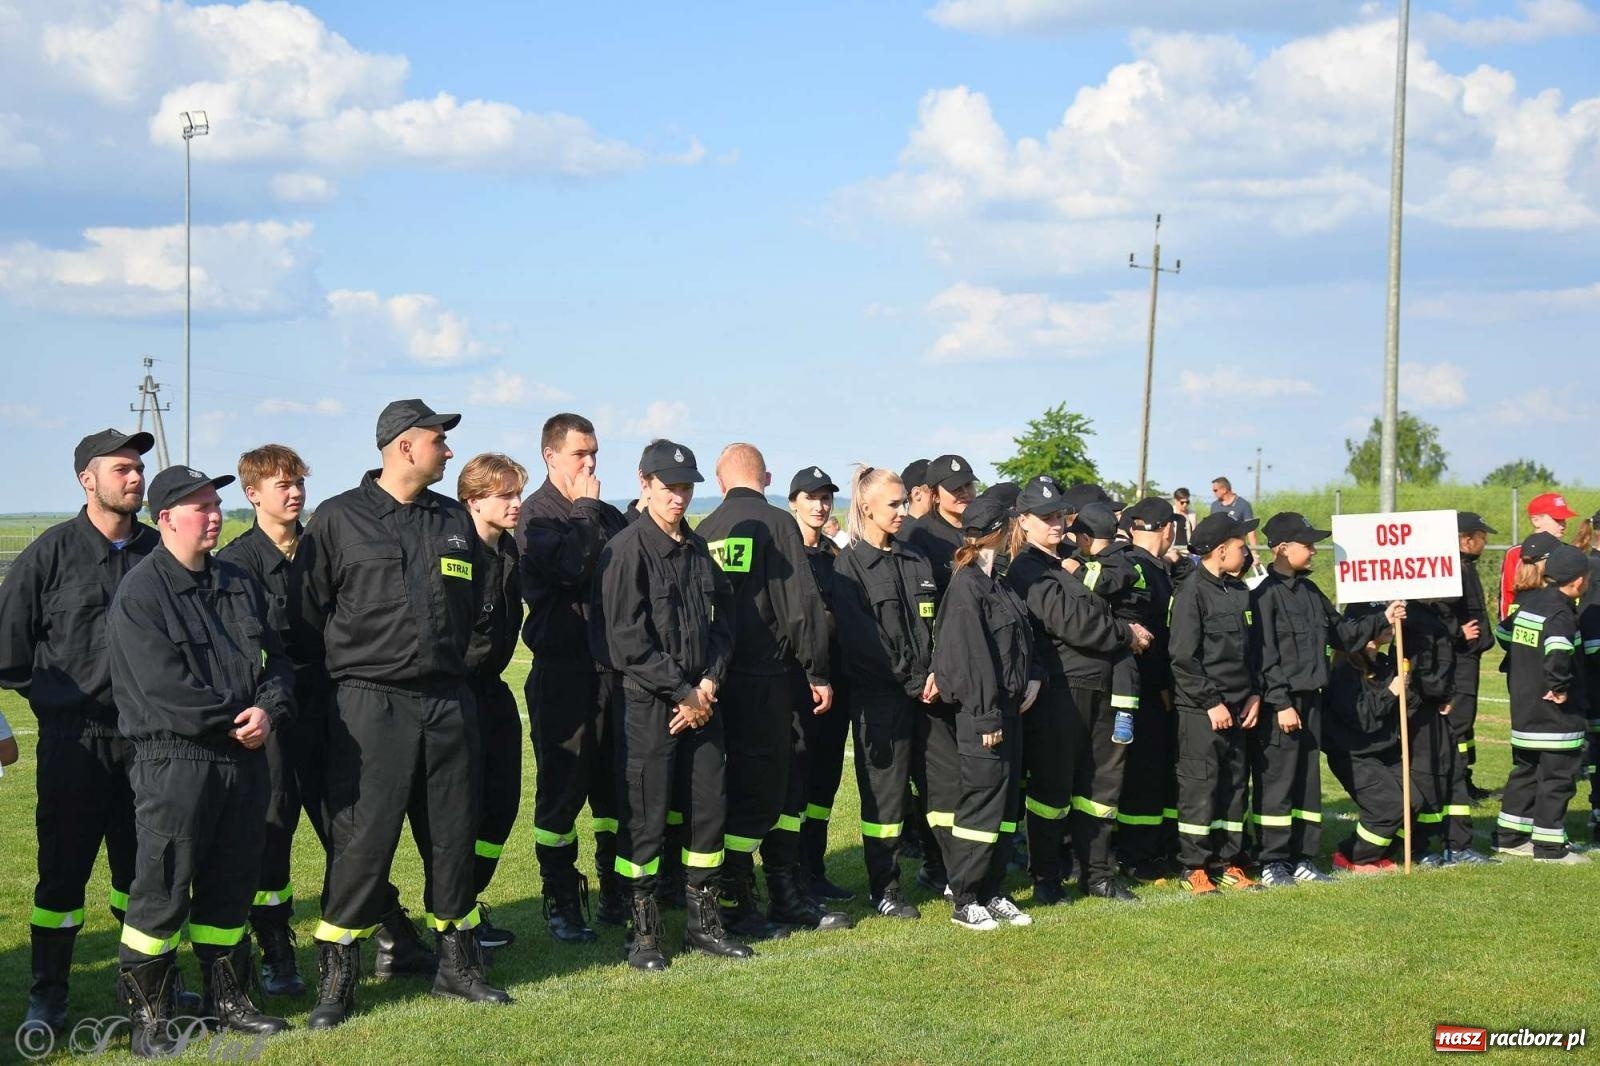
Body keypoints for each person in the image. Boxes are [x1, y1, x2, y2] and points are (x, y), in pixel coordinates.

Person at [303, 399, 509, 1029]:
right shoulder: (339, 519)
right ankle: (338, 980)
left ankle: (458, 967)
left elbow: (480, 606)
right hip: (371, 703)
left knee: (452, 836)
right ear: (402, 447)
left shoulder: (452, 519)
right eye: (438, 441)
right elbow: (306, 618)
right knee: (364, 842)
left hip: (448, 701)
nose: (448, 452)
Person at [108, 465, 293, 1054]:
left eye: (217, 504)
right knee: (161, 889)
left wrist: (267, 710)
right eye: (200, 507)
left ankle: (228, 1000)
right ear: (165, 519)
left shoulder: (239, 582)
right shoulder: (141, 593)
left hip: (243, 757)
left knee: (231, 882)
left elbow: (278, 662)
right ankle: (149, 1018)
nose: (214, 515)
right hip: (176, 761)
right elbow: (165, 691)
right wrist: (235, 721)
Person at [0, 428, 162, 1039]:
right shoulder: (50, 554)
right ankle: (48, 995)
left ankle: (142, 991)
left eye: (139, 468)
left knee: (143, 876)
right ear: (86, 479)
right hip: (76, 744)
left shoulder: (160, 552)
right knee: (62, 879)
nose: (135, 477)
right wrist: (60, 701)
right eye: (121, 467)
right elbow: (9, 654)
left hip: (153, 745)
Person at [590, 439, 752, 970]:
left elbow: (724, 621)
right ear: (644, 484)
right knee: (645, 817)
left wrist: (707, 685)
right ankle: (643, 933)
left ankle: (703, 925)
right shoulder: (626, 550)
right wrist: (682, 692)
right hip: (648, 707)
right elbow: (625, 639)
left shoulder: (698, 548)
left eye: (686, 487)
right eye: (669, 487)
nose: (679, 498)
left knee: (709, 812)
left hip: (703, 703)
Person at [696, 444, 846, 936]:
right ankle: (753, 901)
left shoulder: (706, 530)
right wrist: (818, 670)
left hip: (721, 681)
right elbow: (799, 606)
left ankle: (773, 893)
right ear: (767, 477)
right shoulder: (778, 524)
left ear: (720, 482)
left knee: (742, 788)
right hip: (770, 679)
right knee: (778, 789)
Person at [215, 444, 327, 997]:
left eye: (299, 482)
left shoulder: (323, 547)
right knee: (272, 834)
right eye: (282, 484)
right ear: (252, 494)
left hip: (334, 709)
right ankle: (277, 950)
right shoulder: (236, 564)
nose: (295, 492)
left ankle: (376, 933)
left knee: (351, 829)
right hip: (275, 714)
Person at [517, 413, 630, 940]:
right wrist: (584, 507)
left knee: (614, 791)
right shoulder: (536, 515)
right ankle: (561, 898)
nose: (590, 463)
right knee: (562, 793)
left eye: (595, 453)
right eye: (580, 453)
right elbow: (570, 568)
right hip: (563, 673)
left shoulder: (605, 513)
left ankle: (615, 892)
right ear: (550, 455)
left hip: (613, 672)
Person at [1006, 478, 1143, 902]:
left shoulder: (1073, 558)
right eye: (1045, 517)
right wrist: (1125, 633)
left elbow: (1121, 582)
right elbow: (1075, 622)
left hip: (1104, 684)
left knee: (1101, 789)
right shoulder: (1026, 569)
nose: (1055, 523)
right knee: (1052, 790)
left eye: (1059, 515)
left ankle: (1097, 875)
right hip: (1062, 690)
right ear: (1023, 521)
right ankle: (1047, 878)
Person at [1250, 513, 1402, 885]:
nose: (1314, 550)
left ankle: (1302, 857)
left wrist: (1383, 617)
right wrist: (1281, 702)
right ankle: (1272, 861)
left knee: (1306, 783)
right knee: (1277, 784)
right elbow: (1263, 655)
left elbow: (1343, 634)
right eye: (1308, 544)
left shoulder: (1310, 592)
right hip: (1281, 706)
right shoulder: (1262, 594)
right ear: (1283, 549)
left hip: (1312, 703)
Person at [831, 465, 939, 919]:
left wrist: (937, 674)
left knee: (938, 790)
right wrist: (915, 680)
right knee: (885, 799)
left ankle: (942, 871)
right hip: (882, 699)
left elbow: (936, 627)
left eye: (904, 502)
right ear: (866, 506)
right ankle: (886, 888)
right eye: (893, 504)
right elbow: (863, 643)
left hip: (931, 695)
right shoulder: (849, 565)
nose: (902, 511)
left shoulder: (916, 560)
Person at [933, 493, 1040, 930]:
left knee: (1004, 806)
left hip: (1008, 711)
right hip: (985, 716)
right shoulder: (967, 586)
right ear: (1000, 530)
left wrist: (1033, 677)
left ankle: (993, 890)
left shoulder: (998, 581)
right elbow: (967, 658)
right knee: (981, 805)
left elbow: (1018, 643)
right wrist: (985, 716)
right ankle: (966, 896)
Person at [1169, 512, 1263, 894]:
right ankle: (1195, 867)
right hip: (1202, 710)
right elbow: (1183, 658)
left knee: (1235, 787)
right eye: (1243, 548)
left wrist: (1255, 692)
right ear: (1222, 551)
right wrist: (1211, 702)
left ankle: (1228, 862)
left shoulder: (1240, 591)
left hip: (1241, 707)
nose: (1248, 555)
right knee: (1200, 788)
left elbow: (1252, 651)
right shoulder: (1191, 592)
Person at [457, 453, 529, 950]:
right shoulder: (454, 554)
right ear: (474, 500)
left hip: (493, 691)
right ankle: (454, 919)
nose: (517, 504)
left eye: (518, 493)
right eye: (505, 495)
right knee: (458, 812)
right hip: (455, 695)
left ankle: (470, 898)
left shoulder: (509, 552)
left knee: (501, 807)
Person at [899, 454, 975, 896]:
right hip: (935, 675)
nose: (963, 494)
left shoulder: (973, 531)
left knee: (964, 777)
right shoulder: (919, 535)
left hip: (969, 672)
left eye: (968, 486)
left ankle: (954, 862)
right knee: (939, 779)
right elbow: (921, 617)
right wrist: (933, 668)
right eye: (955, 488)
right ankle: (937, 864)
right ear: (933, 491)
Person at [1492, 543, 1590, 863]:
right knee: (1557, 777)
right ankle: (1549, 847)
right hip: (1554, 714)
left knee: (1525, 772)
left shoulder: (1529, 602)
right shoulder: (1561, 612)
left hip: (1524, 707)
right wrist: (1559, 686)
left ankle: (1510, 837)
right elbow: (1559, 651)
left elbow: (1504, 634)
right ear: (1577, 582)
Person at [789, 466, 853, 901]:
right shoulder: (785, 553)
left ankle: (815, 868)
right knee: (796, 781)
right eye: (810, 497)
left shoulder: (834, 554)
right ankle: (790, 875)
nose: (819, 505)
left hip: (839, 682)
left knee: (825, 784)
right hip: (799, 687)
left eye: (826, 497)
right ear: (793, 502)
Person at [1116, 497, 1182, 879]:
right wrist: (1161, 684)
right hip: (1141, 687)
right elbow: (1144, 633)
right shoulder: (1138, 568)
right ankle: (1136, 854)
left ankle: (1150, 849)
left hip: (1147, 684)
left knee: (1152, 771)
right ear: (1169, 530)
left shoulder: (1150, 567)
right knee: (1141, 772)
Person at [1426, 512, 1500, 802]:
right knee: (1457, 722)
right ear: (1466, 539)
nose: (1485, 543)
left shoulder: (1463, 565)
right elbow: (1435, 608)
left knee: (1465, 724)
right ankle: (1452, 787)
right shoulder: (1452, 568)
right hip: (1459, 660)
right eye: (1482, 537)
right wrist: (1457, 630)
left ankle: (1463, 781)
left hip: (1469, 658)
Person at [1498, 492, 1578, 619]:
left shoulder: (1568, 552)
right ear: (1536, 520)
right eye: (1557, 519)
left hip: (1560, 622)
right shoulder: (1516, 553)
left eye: (1564, 519)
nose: (1563, 523)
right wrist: (1505, 626)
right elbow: (1507, 595)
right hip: (1523, 622)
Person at [1208, 477, 1258, 555]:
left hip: (1237, 551)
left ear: (1224, 489)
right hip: (1219, 551)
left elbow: (1251, 531)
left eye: (1215, 490)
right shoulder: (1214, 506)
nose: (1214, 493)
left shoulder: (1243, 505)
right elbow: (1211, 529)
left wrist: (1255, 554)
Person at [1170, 488, 1196, 559]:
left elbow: (1194, 531)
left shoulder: (1191, 514)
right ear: (1175, 500)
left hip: (1188, 551)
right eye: (1182, 502)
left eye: (1187, 502)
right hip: (1173, 550)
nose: (1185, 505)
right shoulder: (1170, 513)